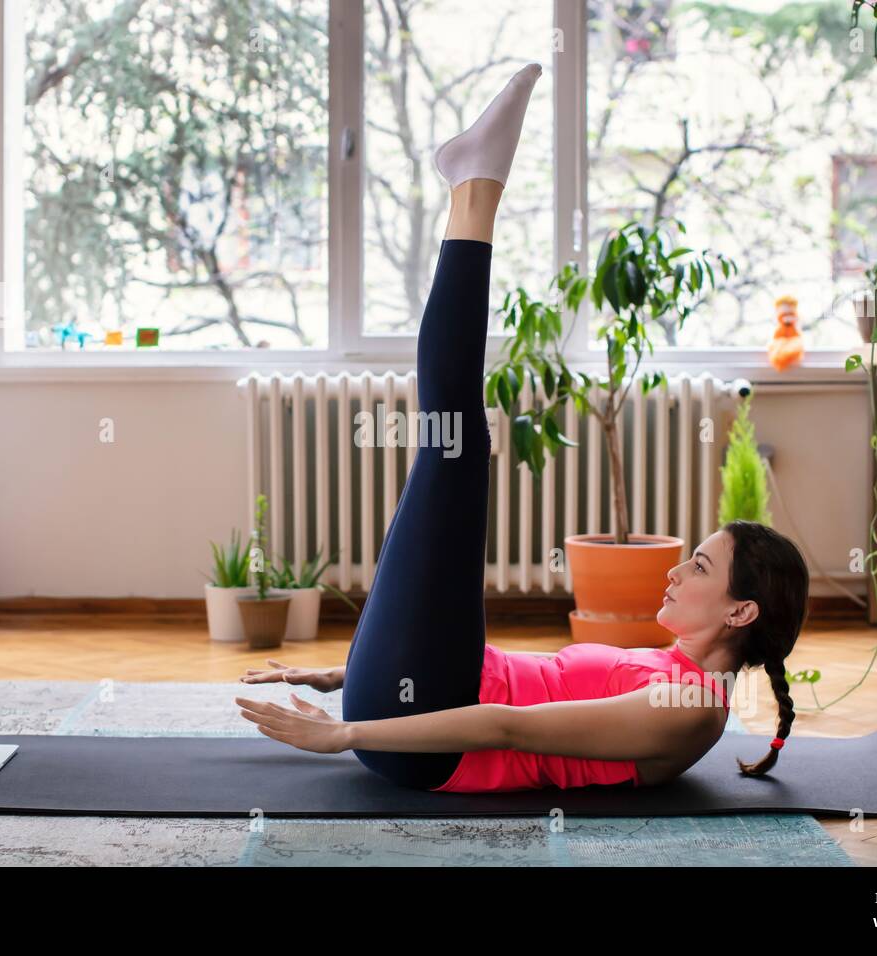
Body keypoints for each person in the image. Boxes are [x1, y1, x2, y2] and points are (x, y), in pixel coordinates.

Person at [235, 63, 810, 793]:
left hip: (424, 739)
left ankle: (476, 188)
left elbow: (508, 725)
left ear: (741, 610)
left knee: (453, 449)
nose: (674, 568)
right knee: (451, 445)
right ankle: (473, 185)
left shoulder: (689, 708)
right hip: (422, 686)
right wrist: (346, 672)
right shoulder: (669, 671)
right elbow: (513, 675)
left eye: (698, 566)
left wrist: (344, 732)